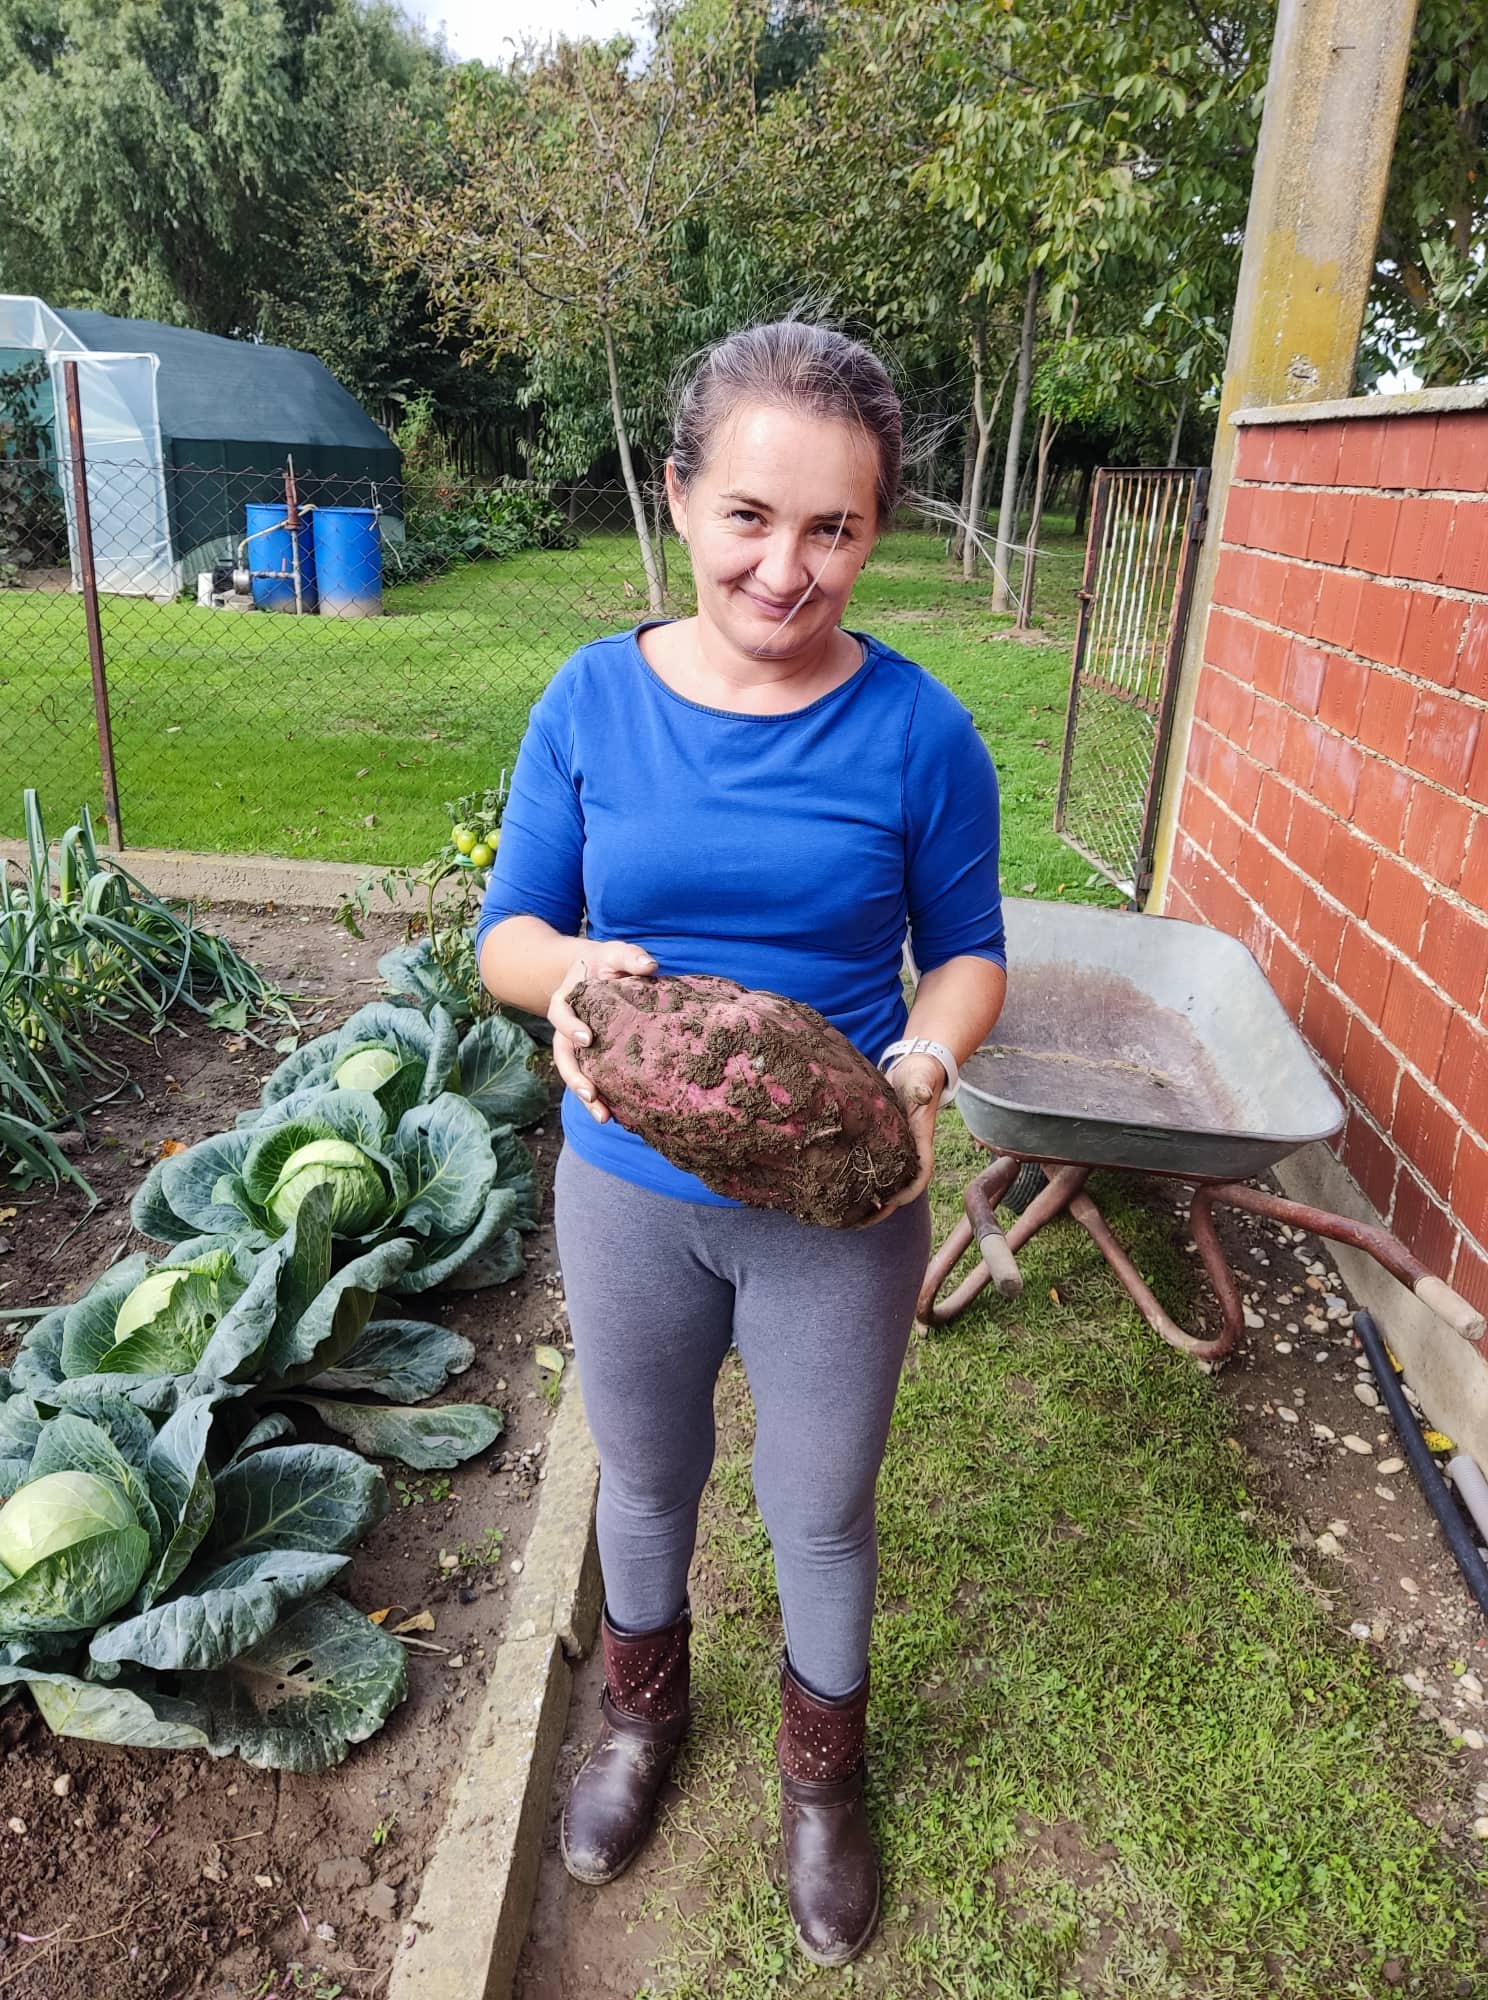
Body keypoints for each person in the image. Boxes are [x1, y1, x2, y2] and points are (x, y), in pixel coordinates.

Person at [476, 321, 1006, 1969]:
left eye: (834, 528)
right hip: (631, 1191)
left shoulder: (920, 734)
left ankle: (822, 1776)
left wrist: (923, 1063)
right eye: (751, 517)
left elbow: (970, 954)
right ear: (679, 495)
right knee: (646, 1473)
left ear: (877, 529)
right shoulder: (590, 700)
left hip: (836, 1203)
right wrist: (571, 977)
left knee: (820, 1505)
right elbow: (507, 932)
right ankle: (643, 1717)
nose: (787, 569)